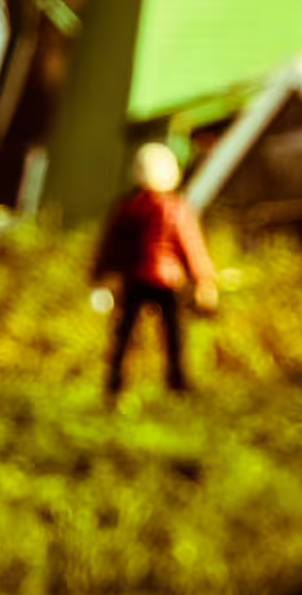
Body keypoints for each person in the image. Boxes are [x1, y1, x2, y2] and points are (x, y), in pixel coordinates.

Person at [90, 142, 219, 406]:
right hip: (167, 282)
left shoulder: (128, 207)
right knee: (173, 337)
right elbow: (190, 246)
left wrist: (101, 275)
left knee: (126, 336)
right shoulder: (176, 208)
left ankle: (116, 386)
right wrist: (204, 280)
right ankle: (177, 385)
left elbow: (111, 247)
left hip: (135, 279)